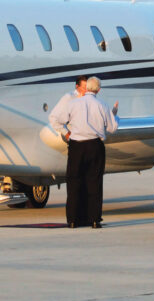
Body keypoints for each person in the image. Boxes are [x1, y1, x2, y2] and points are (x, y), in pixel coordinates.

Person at [50, 76, 119, 228]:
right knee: (94, 182)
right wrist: (114, 114)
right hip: (95, 145)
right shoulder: (103, 105)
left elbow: (56, 120)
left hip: (76, 146)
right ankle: (94, 220)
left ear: (86, 88)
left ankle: (73, 220)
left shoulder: (73, 103)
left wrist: (66, 132)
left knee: (74, 182)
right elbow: (112, 128)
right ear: (98, 90)